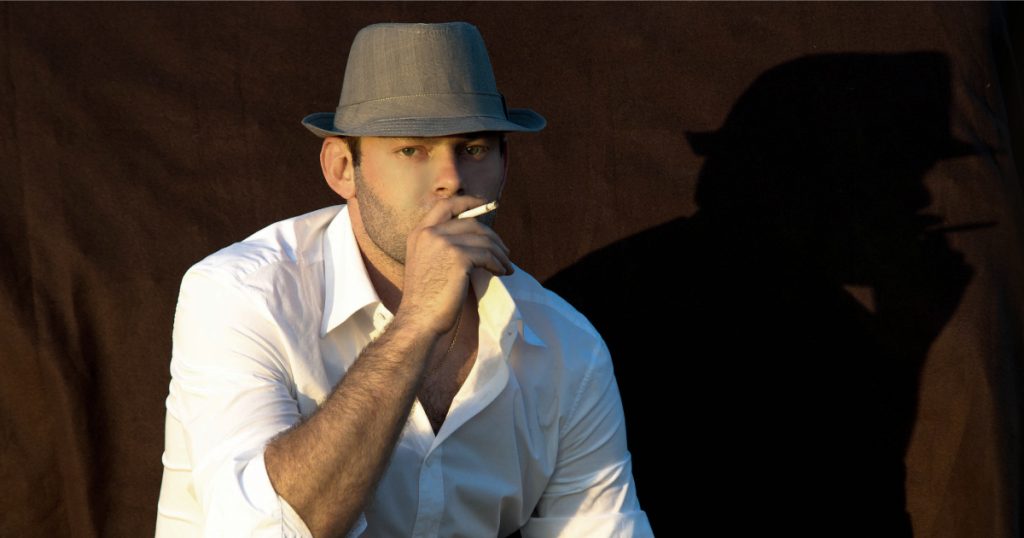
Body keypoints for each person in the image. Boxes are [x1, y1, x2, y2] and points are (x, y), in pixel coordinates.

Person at [155, 21, 652, 537]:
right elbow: (261, 532)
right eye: (412, 150)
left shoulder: (566, 347)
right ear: (342, 168)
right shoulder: (240, 297)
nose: (451, 179)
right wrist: (415, 324)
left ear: (504, 166)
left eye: (474, 149)